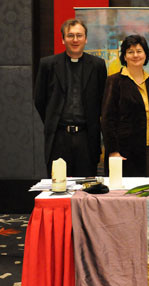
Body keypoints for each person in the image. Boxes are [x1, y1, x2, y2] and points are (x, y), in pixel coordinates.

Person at [34, 19, 107, 177]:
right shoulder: (48, 64)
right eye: (70, 35)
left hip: (86, 138)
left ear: (86, 39)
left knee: (86, 188)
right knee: (58, 187)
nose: (75, 40)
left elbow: (102, 99)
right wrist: (52, 121)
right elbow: (39, 100)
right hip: (58, 137)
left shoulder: (98, 65)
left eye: (79, 35)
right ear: (63, 39)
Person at [101, 35, 149, 177]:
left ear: (146, 54)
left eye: (139, 51)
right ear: (124, 56)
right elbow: (107, 119)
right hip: (124, 152)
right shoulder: (115, 81)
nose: (135, 55)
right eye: (130, 52)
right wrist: (113, 151)